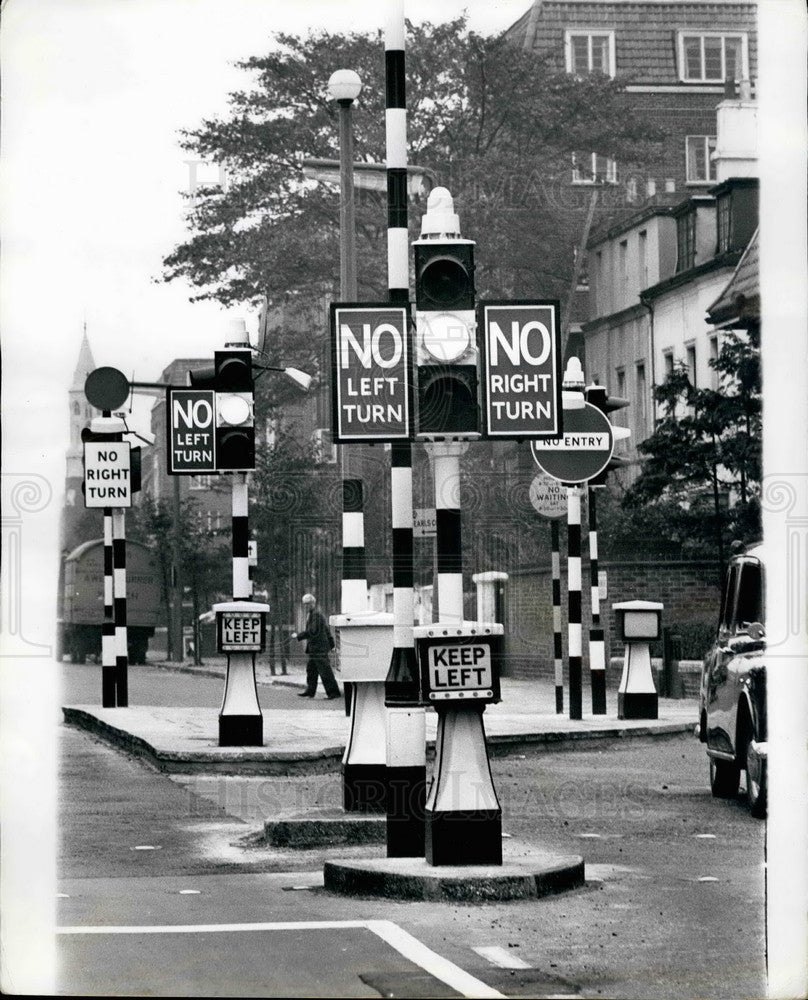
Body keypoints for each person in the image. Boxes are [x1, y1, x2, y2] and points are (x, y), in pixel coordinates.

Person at [292, 593, 341, 700]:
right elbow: (326, 630)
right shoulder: (314, 614)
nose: (306, 606)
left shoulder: (316, 615)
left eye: (307, 604)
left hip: (318, 648)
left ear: (313, 603)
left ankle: (333, 693)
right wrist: (331, 644)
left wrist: (299, 636)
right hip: (316, 648)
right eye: (305, 604)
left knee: (325, 671)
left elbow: (313, 631)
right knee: (311, 670)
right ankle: (310, 691)